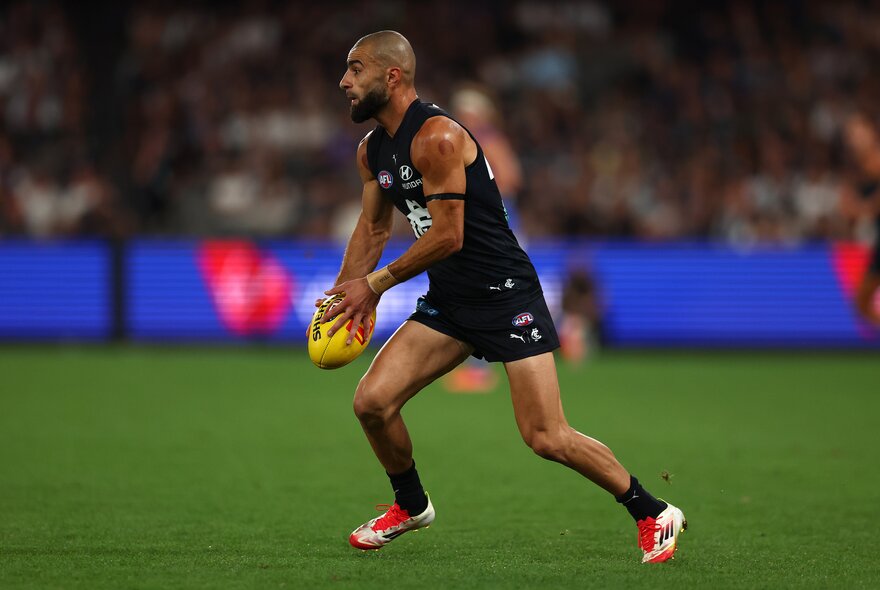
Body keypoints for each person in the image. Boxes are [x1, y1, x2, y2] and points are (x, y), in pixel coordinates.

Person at [322, 30, 686, 564]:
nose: (344, 81)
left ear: (392, 76)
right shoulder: (371, 150)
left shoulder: (438, 137)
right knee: (372, 404)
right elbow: (373, 229)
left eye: (356, 69)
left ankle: (653, 510)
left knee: (545, 435)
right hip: (450, 301)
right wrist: (344, 293)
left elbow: (449, 235)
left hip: (505, 295)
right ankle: (411, 504)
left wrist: (375, 285)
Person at [841, 113, 880, 327]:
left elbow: (864, 208)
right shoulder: (854, 170)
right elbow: (847, 209)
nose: (854, 139)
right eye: (850, 135)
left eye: (858, 132)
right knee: (862, 304)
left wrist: (864, 208)